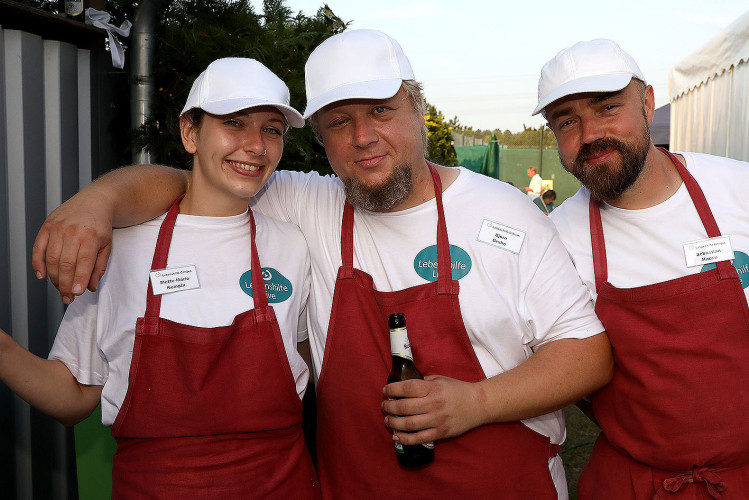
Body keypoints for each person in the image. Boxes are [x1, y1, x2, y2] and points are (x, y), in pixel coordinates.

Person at [32, 30, 613, 499]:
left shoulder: (501, 210)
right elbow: (195, 180)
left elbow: (586, 354)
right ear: (320, 140)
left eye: (381, 110)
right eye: (339, 121)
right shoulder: (304, 203)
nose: (363, 136)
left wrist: (474, 403)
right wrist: (98, 201)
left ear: (417, 110)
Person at [2, 58, 320, 498]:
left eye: (271, 129)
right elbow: (73, 395)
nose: (256, 145)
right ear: (190, 133)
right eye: (234, 122)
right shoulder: (119, 247)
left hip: (281, 485)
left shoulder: (293, 245)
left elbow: (306, 363)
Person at [533, 38, 749, 499]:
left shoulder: (738, 190)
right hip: (636, 483)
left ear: (648, 103)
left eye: (608, 108)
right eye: (567, 121)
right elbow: (571, 373)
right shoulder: (554, 241)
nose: (589, 134)